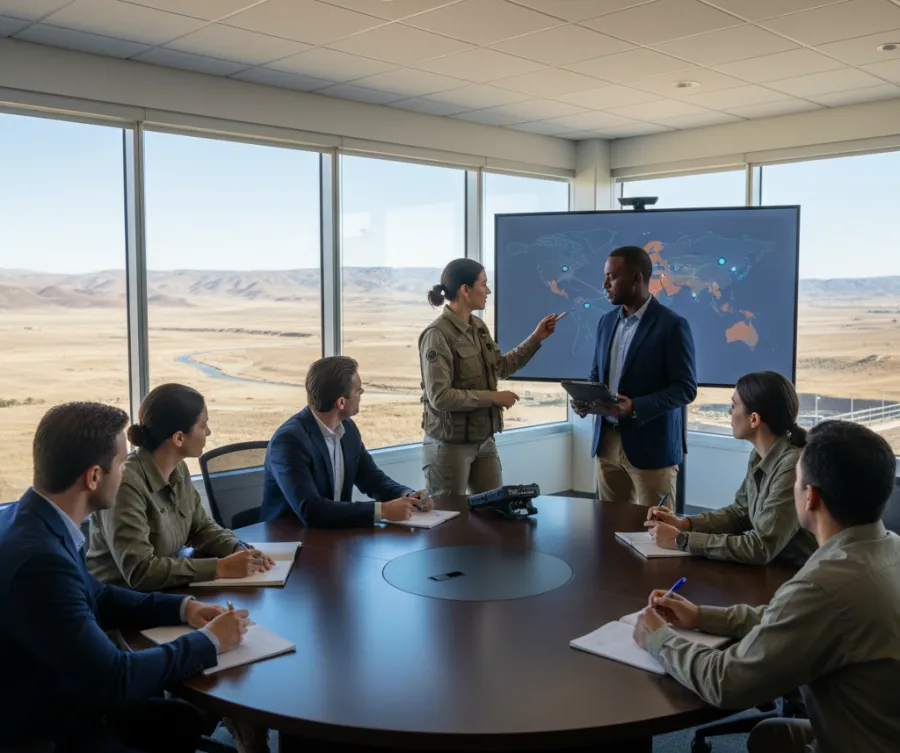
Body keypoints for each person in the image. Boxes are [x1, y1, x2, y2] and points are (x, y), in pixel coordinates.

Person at [633, 420, 900, 753]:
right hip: (883, 727)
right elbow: (787, 618)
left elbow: (725, 683)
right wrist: (702, 616)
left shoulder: (824, 584)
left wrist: (658, 638)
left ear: (810, 497)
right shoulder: (889, 547)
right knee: (769, 736)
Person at [0, 402, 250, 753]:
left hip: (65, 702)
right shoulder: (40, 562)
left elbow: (98, 595)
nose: (127, 469)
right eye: (120, 462)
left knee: (182, 720)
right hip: (56, 731)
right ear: (93, 477)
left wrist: (184, 608)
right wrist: (208, 642)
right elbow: (115, 678)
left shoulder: (33, 520)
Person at [88, 383, 275, 591]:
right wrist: (220, 567)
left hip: (166, 592)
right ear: (178, 438)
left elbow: (201, 527)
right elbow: (140, 571)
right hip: (123, 608)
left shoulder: (178, 469)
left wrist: (236, 548)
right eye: (203, 426)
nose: (209, 432)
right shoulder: (127, 485)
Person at [419, 258, 562, 496]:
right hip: (449, 446)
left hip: (484, 440)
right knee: (448, 521)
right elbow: (440, 397)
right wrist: (493, 398)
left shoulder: (478, 327)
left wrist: (536, 338)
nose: (488, 291)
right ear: (465, 290)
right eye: (483, 284)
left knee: (493, 514)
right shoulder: (437, 335)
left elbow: (501, 367)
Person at [644, 371, 817, 565]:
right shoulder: (761, 453)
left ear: (754, 419)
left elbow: (760, 547)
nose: (729, 412)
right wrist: (684, 524)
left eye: (734, 406)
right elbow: (739, 514)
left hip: (791, 575)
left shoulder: (792, 467)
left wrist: (680, 540)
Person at [572, 245, 697, 508]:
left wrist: (635, 408)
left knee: (656, 534)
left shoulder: (672, 325)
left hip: (652, 448)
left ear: (637, 278)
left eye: (611, 277)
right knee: (607, 532)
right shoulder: (605, 322)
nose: (604, 284)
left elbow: (685, 388)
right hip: (606, 445)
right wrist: (588, 401)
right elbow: (597, 376)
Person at [261, 356, 428, 527]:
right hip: (290, 539)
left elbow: (371, 478)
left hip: (334, 535)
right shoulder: (289, 441)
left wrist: (408, 495)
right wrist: (382, 511)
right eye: (358, 390)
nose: (362, 393)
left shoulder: (347, 428)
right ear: (341, 402)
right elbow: (311, 510)